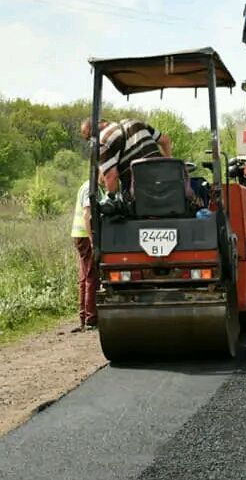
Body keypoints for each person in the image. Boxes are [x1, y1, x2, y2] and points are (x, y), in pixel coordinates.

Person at [80, 117, 171, 194]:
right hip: (167, 186)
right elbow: (166, 141)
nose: (90, 141)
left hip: (142, 197)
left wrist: (111, 198)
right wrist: (168, 166)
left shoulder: (101, 142)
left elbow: (111, 177)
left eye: (88, 138)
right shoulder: (135, 122)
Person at [70, 178, 102, 332]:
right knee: (91, 276)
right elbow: (87, 215)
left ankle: (84, 316)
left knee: (84, 277)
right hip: (84, 236)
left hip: (80, 235)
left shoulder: (91, 186)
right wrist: (92, 238)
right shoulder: (91, 187)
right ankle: (91, 318)